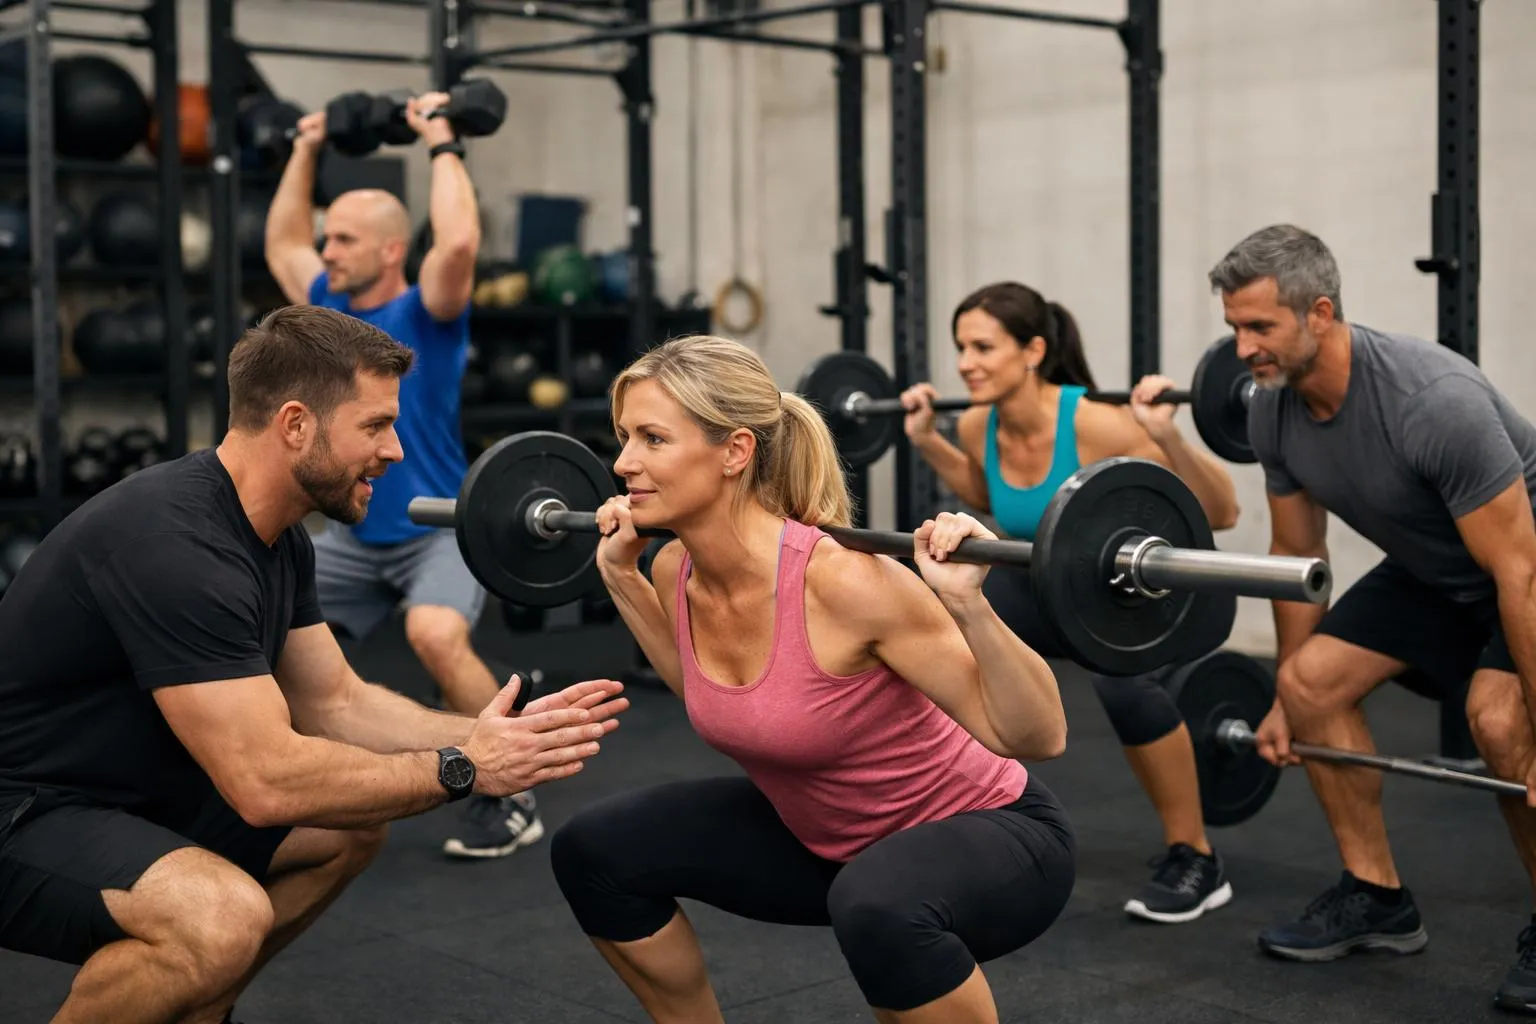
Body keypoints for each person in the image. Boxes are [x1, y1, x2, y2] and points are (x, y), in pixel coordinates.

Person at [0, 306, 626, 1024]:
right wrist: (462, 766)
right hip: (24, 812)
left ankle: (199, 1007)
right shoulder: (173, 546)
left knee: (345, 827)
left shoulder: (277, 536)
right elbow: (265, 783)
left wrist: (489, 737)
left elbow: (337, 702)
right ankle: (193, 969)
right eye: (375, 425)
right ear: (296, 424)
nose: (394, 451)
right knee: (219, 919)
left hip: (126, 792)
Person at [550, 334, 1076, 1024]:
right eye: (623, 438)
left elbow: (1039, 734)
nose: (623, 463)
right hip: (830, 844)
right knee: (595, 850)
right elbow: (711, 696)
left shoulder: (847, 582)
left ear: (735, 452)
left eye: (653, 439)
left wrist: (967, 603)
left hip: (994, 837)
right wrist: (620, 576)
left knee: (878, 905)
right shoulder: (672, 569)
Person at [1212, 224, 1536, 1011]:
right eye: (1234, 329)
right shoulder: (1270, 410)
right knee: (1316, 682)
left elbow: (1517, 571)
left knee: (1499, 725)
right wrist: (1287, 692)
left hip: (1524, 559)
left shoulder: (1431, 401)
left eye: (1261, 327)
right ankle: (1377, 896)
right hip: (1437, 567)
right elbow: (1296, 556)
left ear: (1319, 313)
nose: (1243, 348)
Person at [898, 281, 1242, 925]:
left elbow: (1220, 511)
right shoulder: (977, 422)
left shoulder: (1096, 425)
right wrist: (926, 440)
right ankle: (953, 819)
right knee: (944, 621)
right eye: (960, 348)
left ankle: (1196, 856)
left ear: (1033, 350)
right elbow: (985, 488)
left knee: (1123, 686)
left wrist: (1166, 437)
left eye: (981, 346)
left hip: (1173, 592)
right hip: (1074, 592)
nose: (965, 362)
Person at [263, 93, 531, 859]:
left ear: (388, 250)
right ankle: (309, 789)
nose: (327, 250)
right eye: (328, 237)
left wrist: (439, 138)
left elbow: (460, 238)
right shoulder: (326, 306)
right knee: (272, 644)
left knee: (434, 633)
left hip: (433, 521)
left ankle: (511, 792)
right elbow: (282, 241)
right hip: (350, 529)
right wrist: (306, 145)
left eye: (343, 239)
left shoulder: (429, 312)